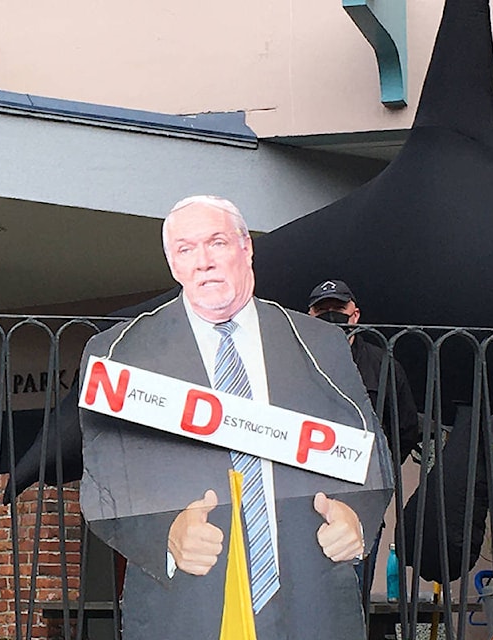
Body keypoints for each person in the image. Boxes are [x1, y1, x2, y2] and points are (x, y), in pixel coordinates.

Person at [77, 196, 393, 639]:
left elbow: (368, 452)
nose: (203, 261)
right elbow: (105, 479)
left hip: (311, 606)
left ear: (246, 248)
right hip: (185, 609)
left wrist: (355, 516)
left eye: (217, 242)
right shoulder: (120, 352)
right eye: (185, 250)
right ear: (173, 265)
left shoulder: (320, 343)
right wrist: (164, 534)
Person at [307, 279, 421, 464]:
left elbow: (405, 428)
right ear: (309, 316)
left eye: (338, 309)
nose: (331, 315)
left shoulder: (382, 365)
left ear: (355, 315)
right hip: (307, 469)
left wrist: (380, 469)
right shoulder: (295, 359)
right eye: (321, 311)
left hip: (365, 474)